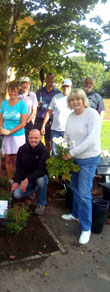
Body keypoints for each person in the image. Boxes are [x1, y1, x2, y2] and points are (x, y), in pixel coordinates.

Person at [61, 88, 102, 245]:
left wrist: (72, 152)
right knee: (75, 188)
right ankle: (76, 214)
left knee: (84, 193)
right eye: (72, 100)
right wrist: (62, 149)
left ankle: (86, 228)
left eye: (77, 99)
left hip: (88, 159)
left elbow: (91, 139)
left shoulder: (92, 115)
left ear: (83, 99)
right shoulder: (71, 116)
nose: (75, 102)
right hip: (74, 158)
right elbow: (67, 136)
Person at [11, 129, 50, 215]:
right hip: (26, 178)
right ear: (28, 138)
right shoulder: (22, 149)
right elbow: (18, 167)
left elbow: (42, 170)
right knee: (16, 195)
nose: (33, 140)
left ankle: (41, 203)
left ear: (40, 138)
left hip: (39, 176)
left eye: (36, 138)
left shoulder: (44, 151)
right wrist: (16, 181)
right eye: (31, 138)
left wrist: (27, 179)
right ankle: (32, 190)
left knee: (41, 180)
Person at [0, 81, 27, 183]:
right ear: (8, 91)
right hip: (6, 135)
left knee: (17, 159)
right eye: (11, 91)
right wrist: (1, 129)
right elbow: (1, 119)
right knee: (7, 158)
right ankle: (10, 179)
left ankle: (18, 179)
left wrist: (9, 131)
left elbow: (23, 123)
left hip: (18, 135)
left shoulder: (22, 105)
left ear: (17, 91)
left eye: (15, 91)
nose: (13, 93)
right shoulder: (4, 104)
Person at [41, 79, 72, 155]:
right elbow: (49, 112)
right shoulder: (56, 97)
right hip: (55, 130)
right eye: (64, 86)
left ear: (71, 87)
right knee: (55, 153)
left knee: (67, 153)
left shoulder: (74, 98)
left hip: (69, 131)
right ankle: (55, 167)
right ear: (62, 87)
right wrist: (43, 126)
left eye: (67, 86)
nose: (65, 88)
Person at [35, 73, 61, 152]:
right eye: (48, 78)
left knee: (48, 141)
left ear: (54, 80)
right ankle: (36, 156)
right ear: (45, 80)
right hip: (39, 119)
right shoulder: (39, 92)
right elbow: (34, 105)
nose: (49, 80)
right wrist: (37, 105)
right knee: (36, 139)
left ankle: (47, 157)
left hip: (51, 120)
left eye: (51, 78)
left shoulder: (58, 93)